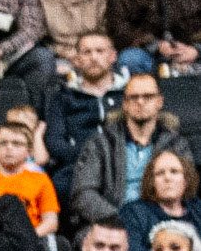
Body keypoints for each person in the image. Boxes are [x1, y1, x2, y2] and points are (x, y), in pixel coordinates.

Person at [69, 76, 194, 229]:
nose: (140, 102)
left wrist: (155, 221)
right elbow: (83, 193)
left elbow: (187, 189)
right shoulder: (101, 143)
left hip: (164, 224)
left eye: (147, 96)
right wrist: (122, 220)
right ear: (125, 104)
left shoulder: (176, 144)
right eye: (133, 97)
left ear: (159, 102)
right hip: (111, 224)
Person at [45, 32, 128, 176]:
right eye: (87, 52)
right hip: (77, 168)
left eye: (100, 51)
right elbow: (55, 143)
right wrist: (90, 158)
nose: (94, 58)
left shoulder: (129, 93)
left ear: (113, 56)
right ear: (77, 60)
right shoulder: (62, 96)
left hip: (125, 165)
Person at [122, 153, 201, 251]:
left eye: (174, 171)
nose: (167, 178)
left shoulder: (197, 208)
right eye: (159, 173)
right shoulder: (134, 213)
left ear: (186, 179)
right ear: (152, 182)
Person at [0, 122, 61, 238]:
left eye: (16, 143)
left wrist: (27, 239)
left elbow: (51, 222)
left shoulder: (40, 179)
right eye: (3, 143)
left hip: (33, 239)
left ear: (29, 151)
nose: (9, 148)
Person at [108, 0, 201, 78]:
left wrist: (196, 50)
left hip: (192, 46)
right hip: (146, 49)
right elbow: (118, 27)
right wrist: (155, 45)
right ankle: (148, 92)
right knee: (130, 59)